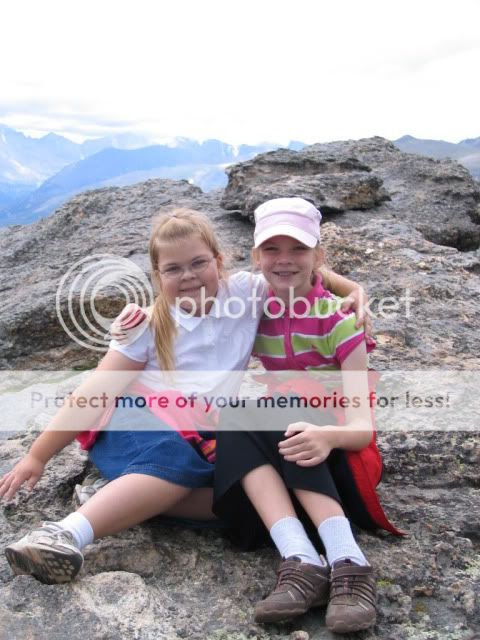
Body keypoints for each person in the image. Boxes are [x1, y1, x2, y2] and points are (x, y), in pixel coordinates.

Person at [0, 207, 368, 587]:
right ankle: (63, 533)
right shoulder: (145, 326)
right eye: (173, 269)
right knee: (175, 461)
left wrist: (354, 291)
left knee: (237, 493)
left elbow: (295, 269)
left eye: (198, 263)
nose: (188, 276)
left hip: (199, 431)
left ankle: (120, 496)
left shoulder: (246, 292)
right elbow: (95, 391)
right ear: (157, 276)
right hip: (134, 421)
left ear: (219, 261)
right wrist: (38, 455)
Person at [212, 198, 403, 633]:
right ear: (256, 256)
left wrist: (327, 436)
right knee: (237, 413)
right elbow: (187, 298)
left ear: (318, 255)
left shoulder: (341, 322)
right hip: (289, 454)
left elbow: (361, 428)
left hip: (341, 459)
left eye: (298, 248)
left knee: (290, 401)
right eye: (271, 249)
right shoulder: (253, 308)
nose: (284, 259)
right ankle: (301, 559)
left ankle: (349, 561)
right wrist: (140, 315)